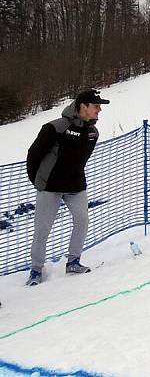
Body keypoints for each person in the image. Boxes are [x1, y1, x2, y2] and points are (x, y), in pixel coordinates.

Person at [25, 89, 109, 285]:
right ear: (83, 106)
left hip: (76, 186)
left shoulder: (92, 132)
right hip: (50, 187)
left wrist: (76, 176)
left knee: (82, 220)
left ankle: (73, 261)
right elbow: (33, 155)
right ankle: (36, 270)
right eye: (96, 106)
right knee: (43, 228)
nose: (99, 110)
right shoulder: (55, 128)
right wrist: (38, 181)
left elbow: (82, 160)